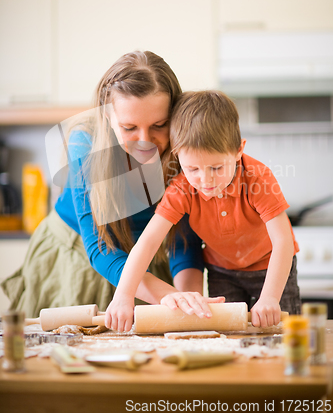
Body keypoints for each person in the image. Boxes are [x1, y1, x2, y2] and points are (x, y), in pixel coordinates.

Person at [1, 52, 222, 318]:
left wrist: (190, 298)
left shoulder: (185, 147)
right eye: (129, 127)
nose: (145, 141)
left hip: (146, 260)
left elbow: (182, 239)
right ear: (107, 117)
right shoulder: (84, 143)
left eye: (159, 125)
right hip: (78, 254)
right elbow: (100, 248)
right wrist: (171, 296)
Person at [106, 90, 302, 332]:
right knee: (229, 333)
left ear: (238, 151)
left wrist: (270, 298)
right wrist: (123, 296)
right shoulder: (181, 188)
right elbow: (148, 242)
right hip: (222, 271)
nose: (205, 180)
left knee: (286, 333)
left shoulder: (258, 179)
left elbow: (282, 242)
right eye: (193, 168)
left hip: (271, 268)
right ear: (178, 156)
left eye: (217, 167)